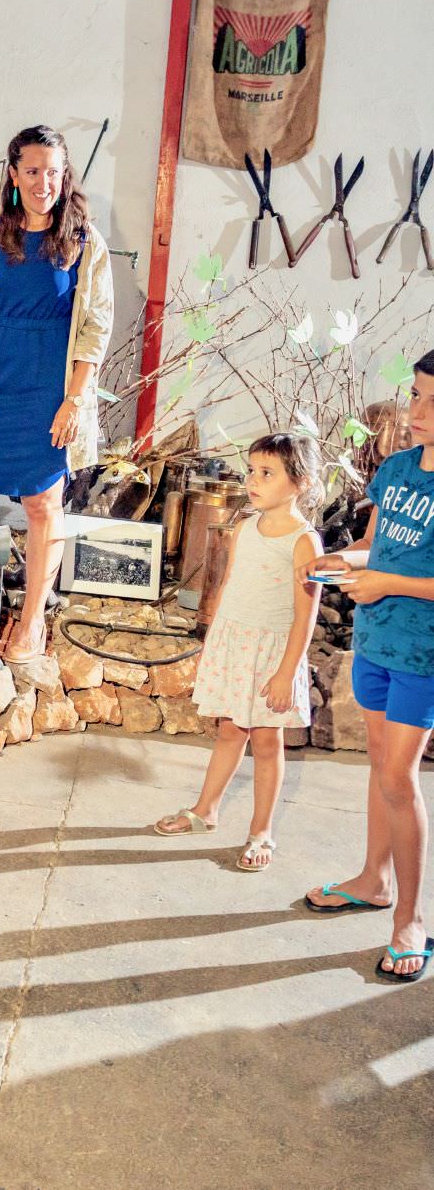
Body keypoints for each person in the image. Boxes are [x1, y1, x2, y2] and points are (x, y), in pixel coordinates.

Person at [0, 125, 116, 662]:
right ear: (13, 175)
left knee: (42, 503)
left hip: (48, 395)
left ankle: (32, 619)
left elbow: (95, 330)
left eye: (53, 172)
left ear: (65, 176)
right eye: (32, 171)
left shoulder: (84, 243)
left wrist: (75, 401)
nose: (43, 183)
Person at [301, 348, 434, 982]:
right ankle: (374, 879)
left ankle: (410, 919)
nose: (418, 412)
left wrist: (384, 583)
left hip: (423, 655)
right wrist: (340, 563)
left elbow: (402, 576)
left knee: (401, 781)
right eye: (415, 395)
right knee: (380, 769)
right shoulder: (398, 469)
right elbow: (372, 547)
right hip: (375, 642)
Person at [151, 433, 324, 869]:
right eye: (252, 471)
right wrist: (214, 638)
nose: (254, 480)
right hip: (235, 642)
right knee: (229, 731)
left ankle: (261, 833)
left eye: (267, 473)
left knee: (267, 742)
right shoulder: (245, 526)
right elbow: (227, 586)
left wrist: (286, 672)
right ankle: (205, 810)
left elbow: (305, 615)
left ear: (299, 482)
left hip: (272, 654)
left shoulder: (304, 541)